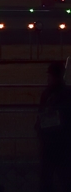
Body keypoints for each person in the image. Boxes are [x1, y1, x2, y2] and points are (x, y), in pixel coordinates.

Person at [36, 61, 71, 192]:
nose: (48, 79)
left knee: (49, 177)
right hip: (60, 142)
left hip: (54, 142)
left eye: (50, 76)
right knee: (63, 178)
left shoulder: (49, 94)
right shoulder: (65, 93)